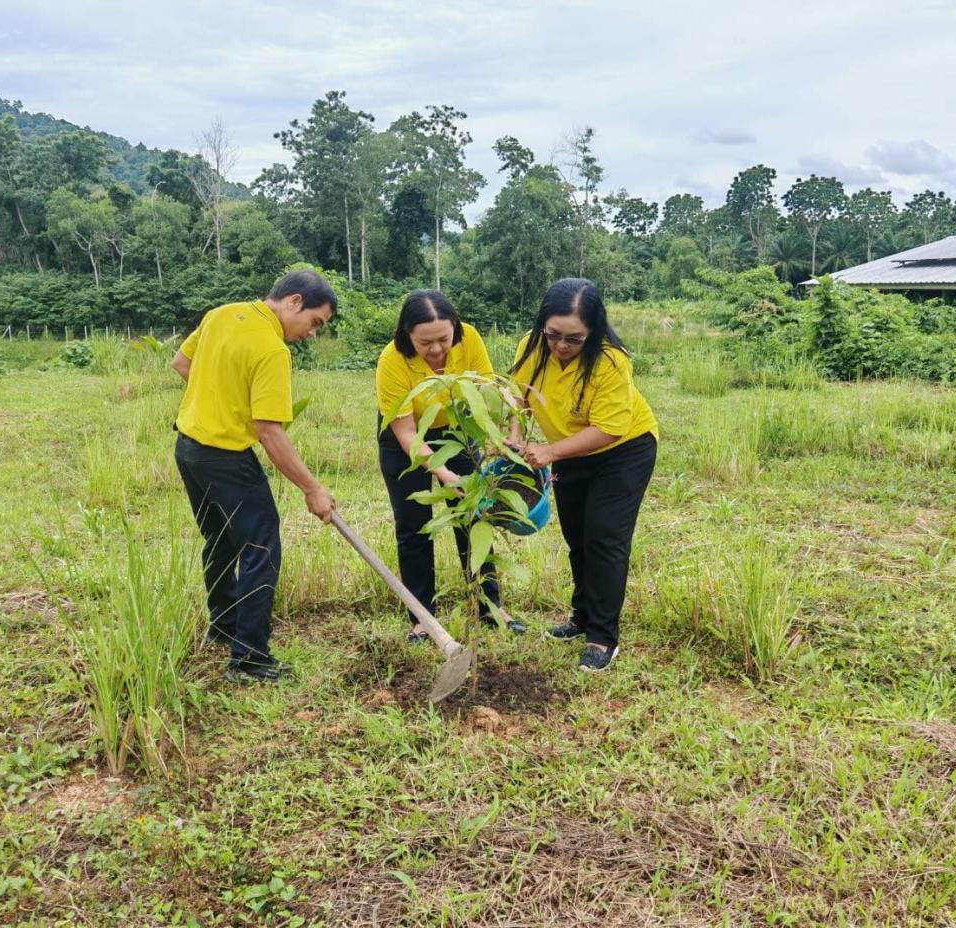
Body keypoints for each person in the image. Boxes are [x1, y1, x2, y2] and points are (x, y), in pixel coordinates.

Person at [171, 269, 338, 684]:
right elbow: (269, 431)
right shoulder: (271, 349)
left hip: (189, 449)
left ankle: (225, 626)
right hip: (226, 458)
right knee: (260, 545)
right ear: (295, 301)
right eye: (315, 323)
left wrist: (221, 396)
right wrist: (312, 489)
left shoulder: (222, 313)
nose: (311, 334)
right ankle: (249, 657)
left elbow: (181, 362)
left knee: (221, 540)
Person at [509, 278, 658, 672]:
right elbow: (519, 397)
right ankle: (581, 617)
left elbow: (609, 428)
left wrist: (550, 451)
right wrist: (514, 437)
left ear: (593, 330)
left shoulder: (610, 361)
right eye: (553, 334)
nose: (561, 345)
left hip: (623, 452)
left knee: (605, 539)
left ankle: (602, 636)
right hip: (570, 451)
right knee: (577, 536)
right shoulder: (531, 346)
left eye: (574, 339)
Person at [375, 290, 525, 642]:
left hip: (458, 431)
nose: (437, 349)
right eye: (425, 342)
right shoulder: (392, 360)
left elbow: (486, 389)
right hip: (407, 442)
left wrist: (501, 428)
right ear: (406, 335)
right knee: (413, 526)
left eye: (443, 339)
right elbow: (407, 433)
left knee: (474, 516)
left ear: (454, 329)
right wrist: (443, 474)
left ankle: (489, 607)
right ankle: (422, 616)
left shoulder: (468, 337)